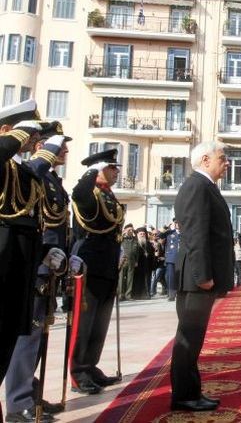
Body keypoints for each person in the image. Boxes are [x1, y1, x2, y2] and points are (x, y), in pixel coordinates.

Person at [3, 121, 70, 422]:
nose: (34, 141)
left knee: (30, 337)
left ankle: (28, 394)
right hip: (11, 270)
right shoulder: (12, 168)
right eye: (33, 136)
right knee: (24, 338)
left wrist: (46, 253)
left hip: (30, 266)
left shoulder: (28, 173)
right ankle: (19, 402)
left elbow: (31, 223)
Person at [170, 141, 234, 412]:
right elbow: (195, 234)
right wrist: (203, 275)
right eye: (223, 157)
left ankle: (190, 391)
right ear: (206, 159)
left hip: (197, 276)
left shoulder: (203, 185)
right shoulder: (198, 185)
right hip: (196, 278)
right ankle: (185, 395)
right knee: (189, 337)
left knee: (192, 337)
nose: (227, 162)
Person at [70, 149, 125, 394]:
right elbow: (78, 194)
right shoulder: (89, 193)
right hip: (90, 261)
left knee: (100, 319)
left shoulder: (108, 195)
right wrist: (92, 169)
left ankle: (91, 365)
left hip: (107, 261)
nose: (116, 172)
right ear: (100, 170)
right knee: (85, 320)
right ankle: (78, 371)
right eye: (112, 167)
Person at [159, 219, 180, 301]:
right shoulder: (170, 232)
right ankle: (171, 294)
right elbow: (160, 235)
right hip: (171, 258)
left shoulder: (185, 232)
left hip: (182, 258)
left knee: (181, 277)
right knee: (171, 277)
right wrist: (165, 227)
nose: (177, 224)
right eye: (176, 223)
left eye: (179, 222)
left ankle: (180, 293)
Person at [133, 226, 154, 299]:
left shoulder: (148, 244)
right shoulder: (135, 243)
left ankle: (146, 294)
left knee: (147, 280)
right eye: (141, 234)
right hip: (138, 265)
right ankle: (137, 295)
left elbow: (152, 254)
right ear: (137, 234)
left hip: (147, 265)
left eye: (143, 234)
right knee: (138, 280)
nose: (142, 235)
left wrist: (149, 255)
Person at [118, 224, 137, 301]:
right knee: (121, 278)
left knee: (130, 279)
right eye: (129, 230)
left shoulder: (135, 240)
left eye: (132, 230)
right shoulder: (121, 239)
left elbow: (137, 252)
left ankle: (128, 295)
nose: (131, 231)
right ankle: (120, 295)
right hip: (122, 261)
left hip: (132, 261)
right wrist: (123, 233)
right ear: (125, 230)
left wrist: (136, 261)